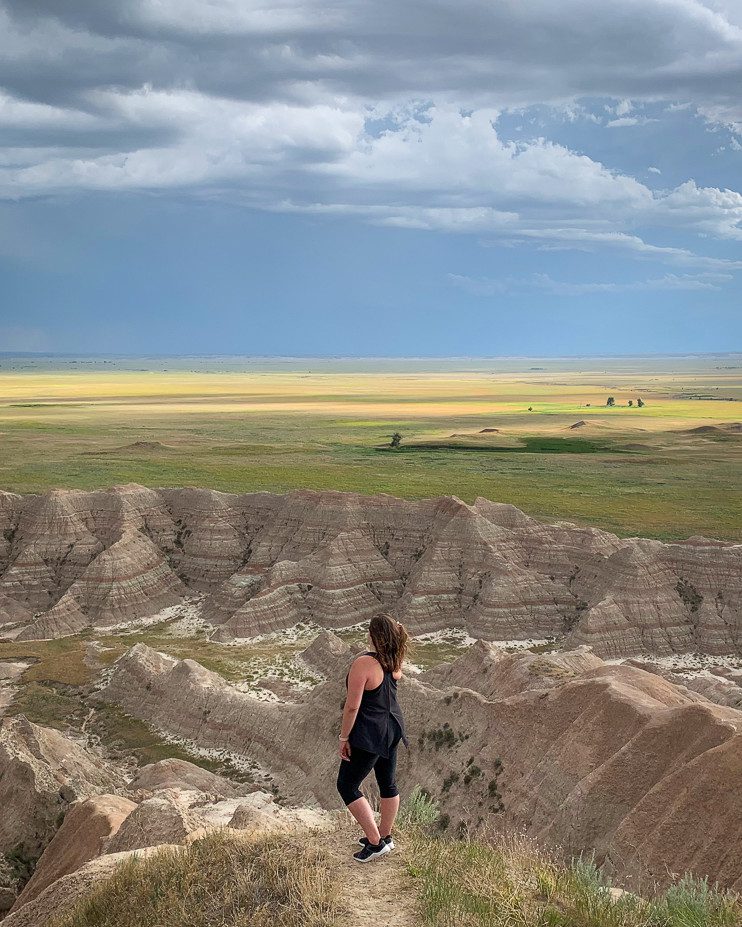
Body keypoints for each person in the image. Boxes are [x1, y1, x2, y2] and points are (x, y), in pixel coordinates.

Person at [336, 612, 409, 862]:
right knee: (387, 783)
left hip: (370, 732)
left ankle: (376, 843)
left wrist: (344, 737)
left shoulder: (364, 664)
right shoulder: (394, 661)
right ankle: (385, 836)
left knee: (346, 785)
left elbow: (352, 707)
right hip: (393, 728)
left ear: (373, 635)